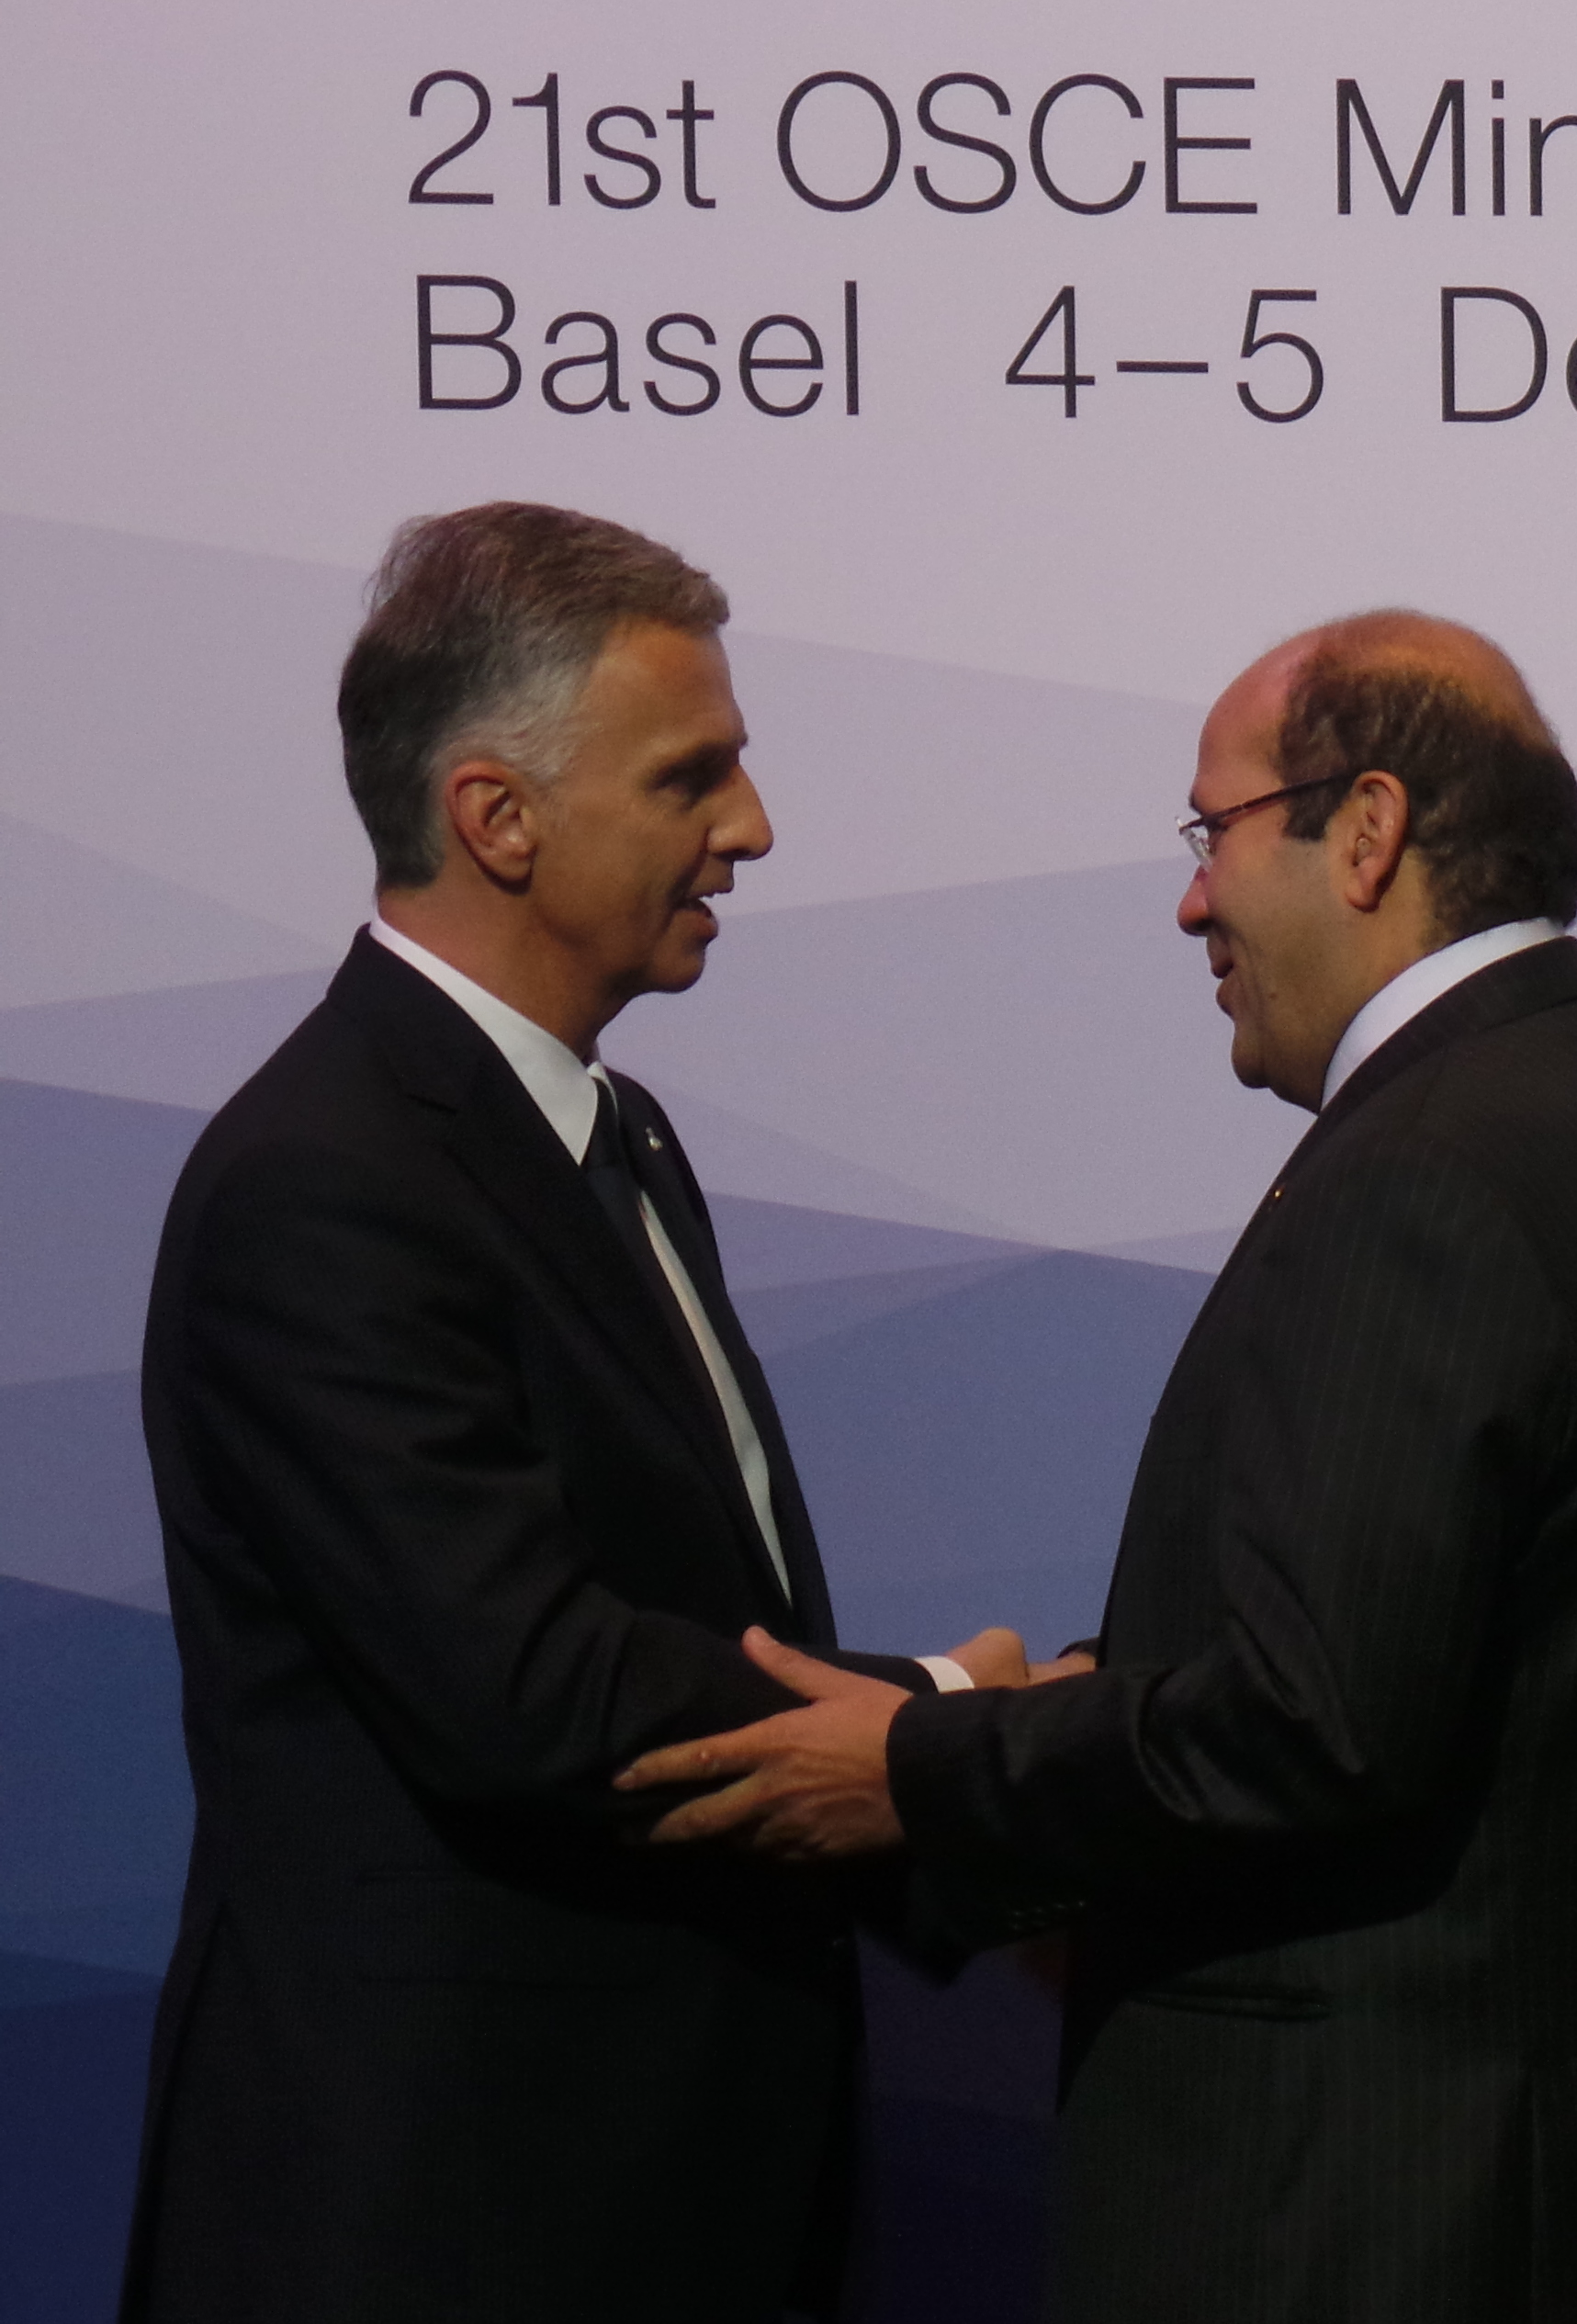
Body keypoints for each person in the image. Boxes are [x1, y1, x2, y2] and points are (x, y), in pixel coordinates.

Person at [627, 613, 1577, 2321]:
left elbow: (1312, 1721)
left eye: (1212, 834)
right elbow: (1476, 1662)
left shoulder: (1429, 1171)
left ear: (1367, 830)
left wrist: (930, 1766)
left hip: (1387, 2222)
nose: (1191, 901)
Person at [125, 502, 1029, 2323]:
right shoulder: (329, 1179)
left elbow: (692, 1618)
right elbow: (523, 1689)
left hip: (650, 2196)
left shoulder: (607, 1139)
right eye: (693, 779)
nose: (751, 832)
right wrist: (934, 1724)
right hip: (446, 2224)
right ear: (498, 816)